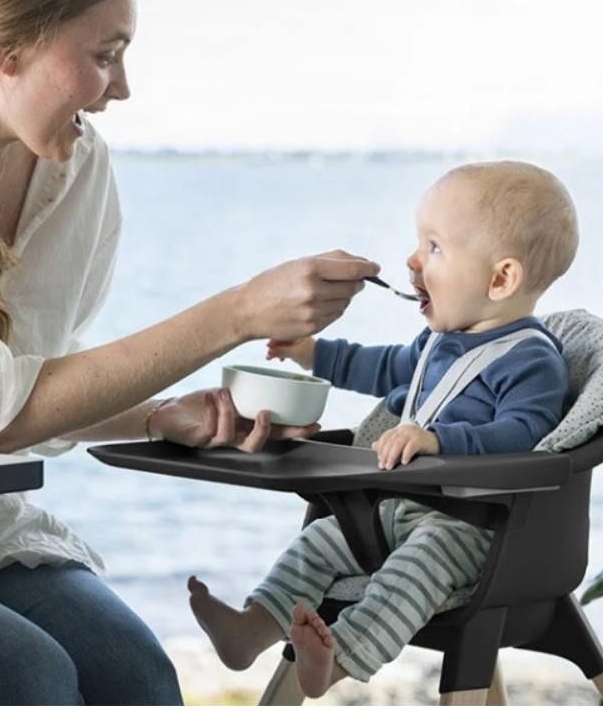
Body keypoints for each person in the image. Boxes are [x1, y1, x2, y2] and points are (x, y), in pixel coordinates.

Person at [0, 0, 380, 706]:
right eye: (103, 55)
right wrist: (240, 312)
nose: (122, 88)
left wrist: (154, 417)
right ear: (6, 47)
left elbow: (30, 388)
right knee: (15, 673)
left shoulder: (76, 172)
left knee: (135, 672)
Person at [188, 160, 580, 697]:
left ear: (501, 279)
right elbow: (384, 367)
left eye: (435, 248)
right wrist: (313, 354)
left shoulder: (530, 360)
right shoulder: (439, 343)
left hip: (476, 528)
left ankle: (341, 659)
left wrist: (438, 441)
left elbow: (523, 434)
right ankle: (250, 629)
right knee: (322, 539)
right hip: (402, 509)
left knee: (420, 563)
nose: (412, 260)